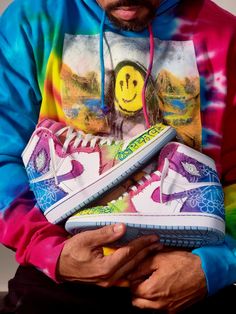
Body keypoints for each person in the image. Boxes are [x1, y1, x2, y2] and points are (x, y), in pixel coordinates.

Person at [0, 0, 236, 313]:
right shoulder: (32, 20)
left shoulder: (225, 34)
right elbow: (3, 155)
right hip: (64, 262)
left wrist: (216, 265)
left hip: (190, 270)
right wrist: (51, 252)